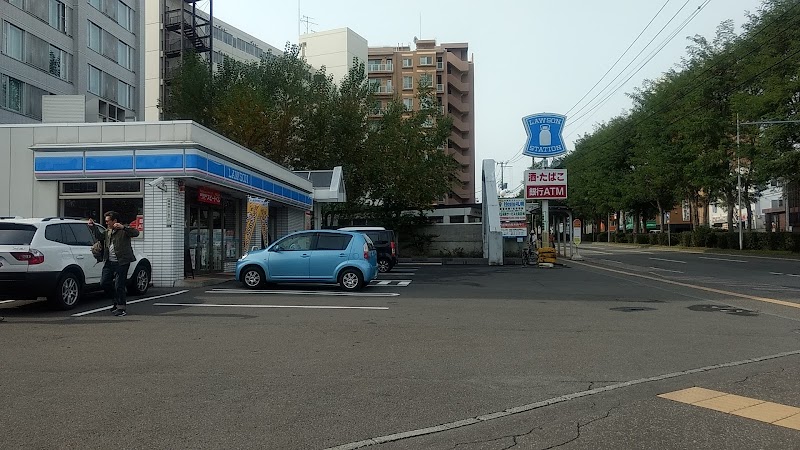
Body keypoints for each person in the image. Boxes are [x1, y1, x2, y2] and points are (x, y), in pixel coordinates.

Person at [89, 211, 139, 317]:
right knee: (104, 282)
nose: (106, 223)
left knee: (119, 285)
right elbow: (99, 236)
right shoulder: (108, 231)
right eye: (106, 221)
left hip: (122, 262)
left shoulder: (124, 230)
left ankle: (121, 308)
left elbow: (136, 233)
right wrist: (93, 227)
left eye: (108, 221)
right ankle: (116, 301)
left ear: (115, 221)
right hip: (109, 261)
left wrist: (123, 227)